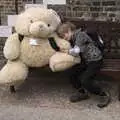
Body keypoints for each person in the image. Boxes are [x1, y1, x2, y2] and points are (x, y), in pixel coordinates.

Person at [57, 22, 111, 108]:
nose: (65, 38)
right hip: (86, 61)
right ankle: (82, 93)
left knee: (85, 80)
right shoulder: (74, 38)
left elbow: (76, 52)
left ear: (69, 30)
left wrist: (66, 51)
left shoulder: (80, 35)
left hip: (95, 60)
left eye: (64, 35)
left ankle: (103, 94)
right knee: (72, 74)